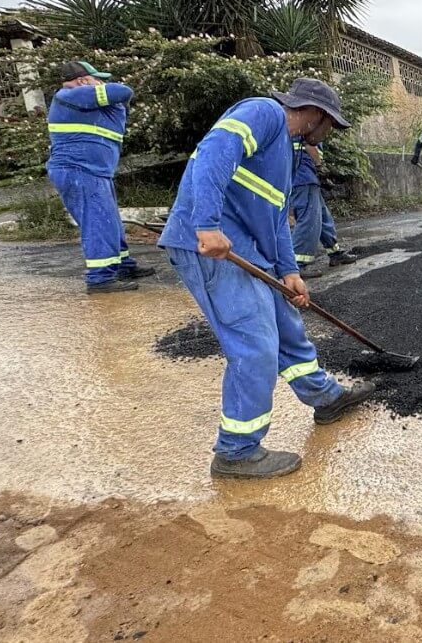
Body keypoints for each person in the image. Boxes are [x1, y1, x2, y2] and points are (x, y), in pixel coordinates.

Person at [157, 78, 376, 479]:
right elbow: (212, 154)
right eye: (331, 124)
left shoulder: (287, 155)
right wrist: (205, 224)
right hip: (213, 248)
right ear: (316, 115)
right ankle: (236, 451)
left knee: (286, 328)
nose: (329, 133)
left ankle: (325, 398)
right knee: (254, 344)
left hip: (248, 250)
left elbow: (275, 220)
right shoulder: (263, 112)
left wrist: (290, 272)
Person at [46, 60, 155, 293]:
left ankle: (123, 265)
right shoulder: (70, 96)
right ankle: (100, 279)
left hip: (95, 172)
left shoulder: (84, 102)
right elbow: (123, 91)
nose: (102, 83)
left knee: (110, 221)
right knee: (98, 223)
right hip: (79, 171)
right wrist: (109, 95)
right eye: (98, 79)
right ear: (83, 80)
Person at [289, 137, 359, 279]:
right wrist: (320, 167)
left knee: (322, 216)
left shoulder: (298, 120)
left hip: (305, 177)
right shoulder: (310, 120)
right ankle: (296, 265)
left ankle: (335, 253)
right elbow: (310, 144)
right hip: (304, 177)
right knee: (309, 221)